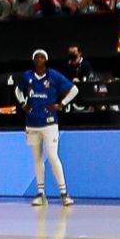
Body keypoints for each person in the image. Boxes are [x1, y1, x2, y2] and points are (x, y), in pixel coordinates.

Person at [14, 49, 78, 206]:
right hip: (32, 123)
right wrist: (23, 104)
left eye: (42, 57)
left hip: (49, 123)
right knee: (37, 158)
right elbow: (17, 89)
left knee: (52, 155)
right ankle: (40, 194)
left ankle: (64, 193)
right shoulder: (27, 76)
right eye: (37, 57)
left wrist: (61, 104)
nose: (39, 59)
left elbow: (74, 89)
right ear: (33, 60)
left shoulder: (53, 75)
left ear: (46, 60)